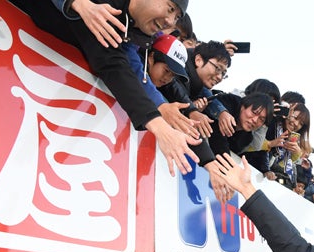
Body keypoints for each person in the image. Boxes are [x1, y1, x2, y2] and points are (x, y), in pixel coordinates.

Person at [10, 0, 202, 177]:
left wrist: (160, 125)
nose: (170, 21)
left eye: (177, 17)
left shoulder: (128, 29)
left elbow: (114, 65)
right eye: (170, 8)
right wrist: (77, 3)